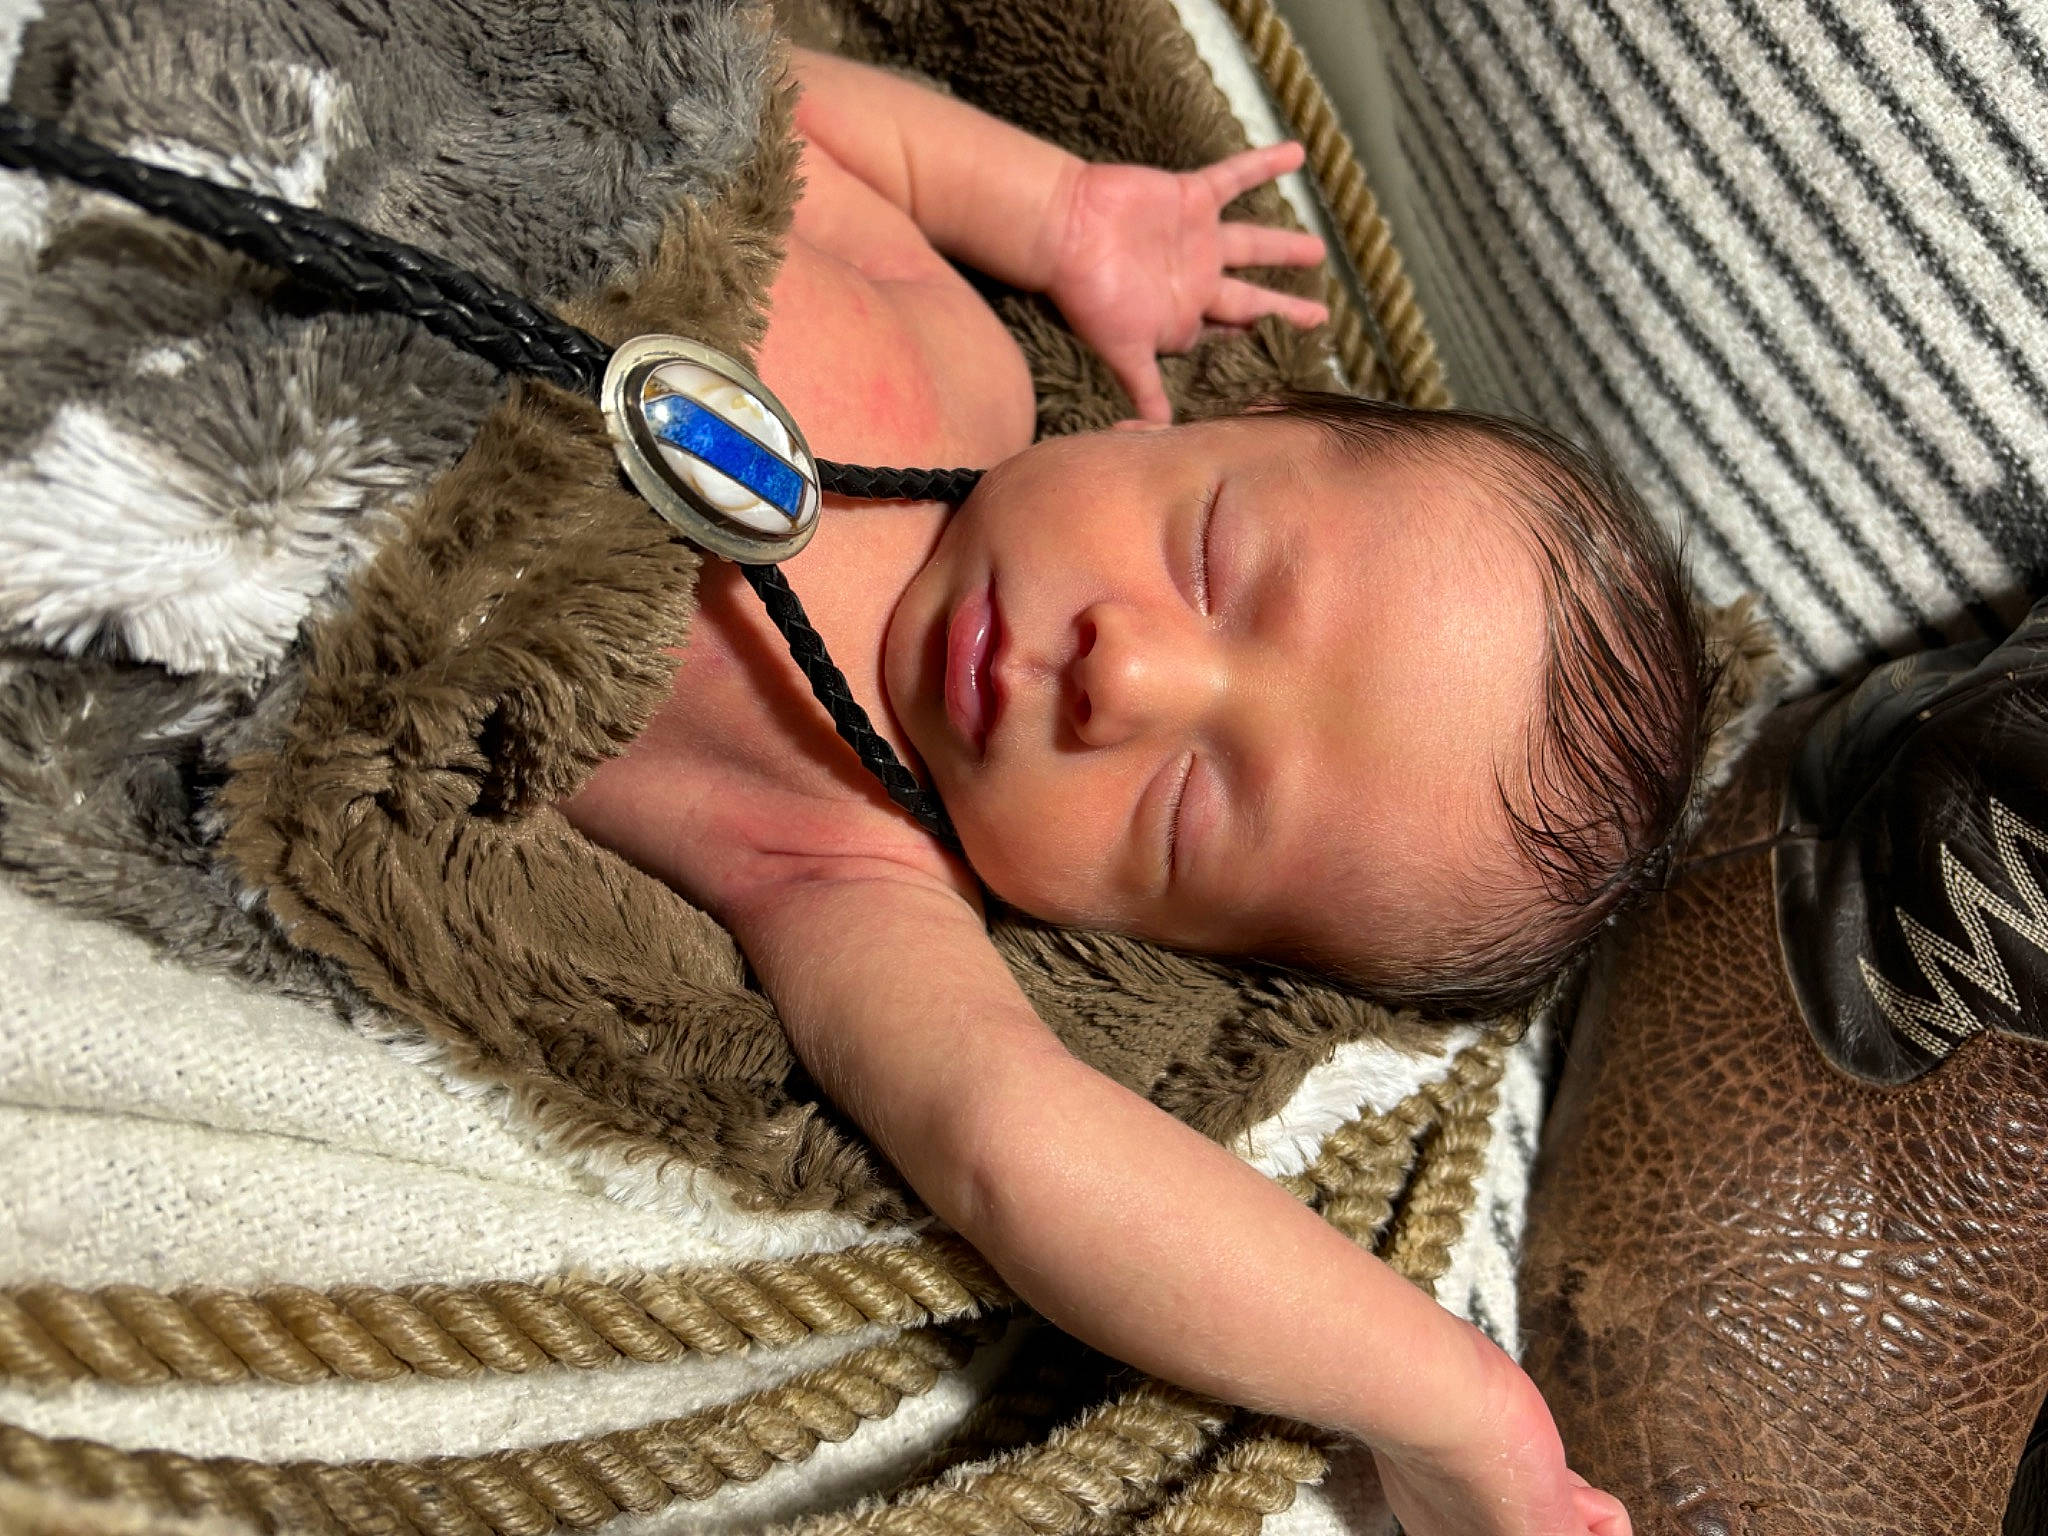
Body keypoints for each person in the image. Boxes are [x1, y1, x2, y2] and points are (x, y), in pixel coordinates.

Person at [569, 44, 1711, 1536]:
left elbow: (1017, 1142)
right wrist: (1061, 215)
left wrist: (1459, 1407)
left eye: (1185, 816)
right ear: (1184, 422)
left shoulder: (847, 859)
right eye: (1214, 563)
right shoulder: (958, 356)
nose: (1129, 681)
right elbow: (764, 98)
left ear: (1146, 944)